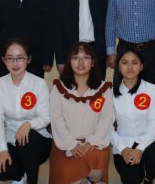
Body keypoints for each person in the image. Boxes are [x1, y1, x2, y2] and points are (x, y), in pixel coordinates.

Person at [49, 42, 114, 184]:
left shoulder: (104, 89)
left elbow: (106, 120)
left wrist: (92, 142)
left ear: (93, 62)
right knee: (69, 177)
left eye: (86, 57)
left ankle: (92, 180)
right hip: (66, 144)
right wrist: (72, 145)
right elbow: (57, 121)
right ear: (69, 62)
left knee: (96, 171)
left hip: (95, 143)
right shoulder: (58, 88)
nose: (80, 62)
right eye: (75, 58)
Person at [0, 38, 52, 184]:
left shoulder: (39, 83)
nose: (15, 63)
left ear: (28, 59)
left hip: (37, 141)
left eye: (20, 58)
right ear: (3, 60)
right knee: (1, 170)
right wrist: (3, 149)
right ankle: (20, 174)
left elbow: (46, 117)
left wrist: (28, 124)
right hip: (11, 139)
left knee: (27, 139)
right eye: (10, 58)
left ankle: (31, 179)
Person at [111, 46, 155, 184]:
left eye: (134, 63)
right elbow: (106, 126)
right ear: (119, 67)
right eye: (125, 63)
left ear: (141, 67)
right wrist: (122, 148)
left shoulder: (152, 90)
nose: (130, 67)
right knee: (132, 179)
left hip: (149, 140)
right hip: (124, 142)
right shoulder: (110, 93)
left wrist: (140, 149)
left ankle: (148, 179)